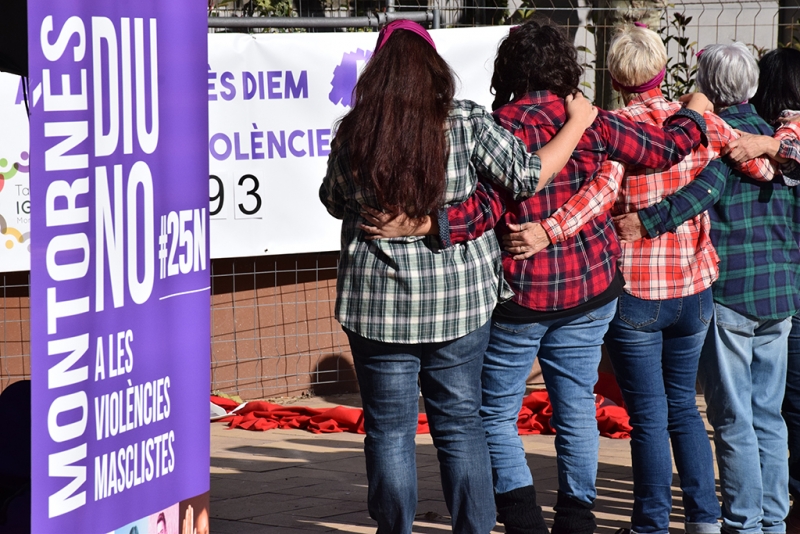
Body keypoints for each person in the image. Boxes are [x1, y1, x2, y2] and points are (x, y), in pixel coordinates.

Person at [359, 19, 711, 534]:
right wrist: (697, 118)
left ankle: (523, 521)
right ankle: (576, 518)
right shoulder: (590, 119)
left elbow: (483, 208)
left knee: (495, 414)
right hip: (591, 292)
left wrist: (428, 224)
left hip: (518, 298)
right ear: (565, 67)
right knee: (576, 406)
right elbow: (662, 149)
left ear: (510, 69)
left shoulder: (498, 124)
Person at [319, 19, 599, 534]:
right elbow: (525, 175)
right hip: (460, 307)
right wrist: (578, 121)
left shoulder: (355, 131)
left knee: (389, 431)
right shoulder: (466, 121)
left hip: (377, 310)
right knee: (461, 424)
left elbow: (333, 199)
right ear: (434, 69)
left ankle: (394, 528)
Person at [615, 43, 800, 534]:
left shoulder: (720, 137)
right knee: (769, 416)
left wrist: (644, 222)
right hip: (780, 298)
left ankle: (744, 523)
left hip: (732, 297)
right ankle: (775, 522)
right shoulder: (781, 141)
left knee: (734, 419)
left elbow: (704, 191)